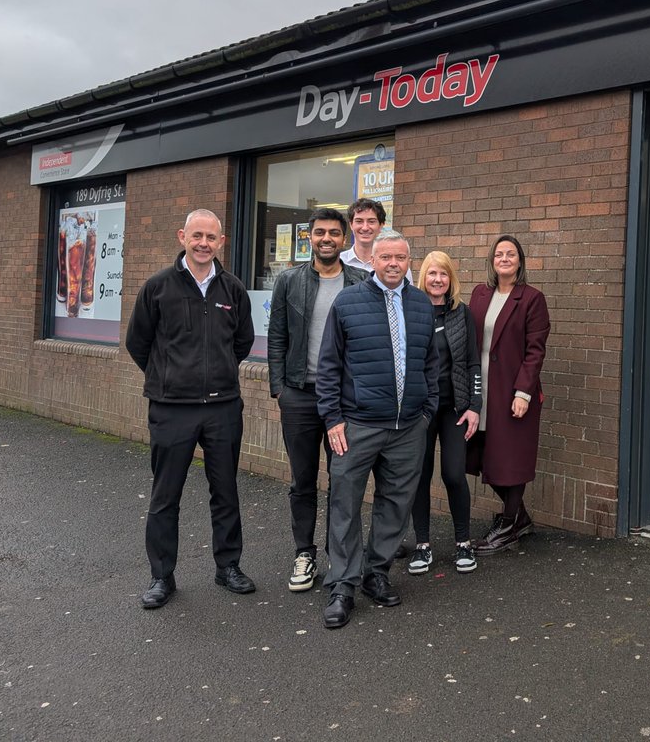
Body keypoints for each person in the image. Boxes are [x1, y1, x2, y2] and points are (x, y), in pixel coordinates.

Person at [126, 209, 256, 609]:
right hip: (171, 410)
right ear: (182, 236)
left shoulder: (233, 290)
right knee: (166, 495)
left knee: (226, 490)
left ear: (221, 242)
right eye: (196, 235)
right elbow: (138, 343)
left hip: (222, 408)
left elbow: (243, 343)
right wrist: (168, 378)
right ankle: (162, 576)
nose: (203, 243)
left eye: (211, 237)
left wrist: (215, 376)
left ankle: (228, 566)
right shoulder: (158, 287)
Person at [316, 230, 439, 629]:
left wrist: (426, 412)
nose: (392, 264)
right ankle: (342, 585)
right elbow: (329, 365)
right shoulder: (348, 302)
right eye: (385, 257)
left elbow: (431, 365)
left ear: (409, 261)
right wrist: (333, 418)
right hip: (358, 425)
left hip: (408, 428)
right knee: (345, 504)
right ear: (372, 260)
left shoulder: (421, 305)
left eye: (400, 258)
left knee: (395, 504)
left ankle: (376, 573)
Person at [268, 207, 368, 592]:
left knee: (344, 481)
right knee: (303, 480)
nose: (327, 238)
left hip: (343, 402)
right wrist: (280, 388)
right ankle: (304, 553)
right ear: (309, 237)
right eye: (320, 232)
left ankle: (339, 557)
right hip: (298, 396)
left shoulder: (361, 282)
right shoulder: (289, 281)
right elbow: (276, 335)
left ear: (345, 239)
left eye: (334, 233)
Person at [469, 235, 551, 555]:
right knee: (486, 454)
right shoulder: (480, 294)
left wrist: (523, 393)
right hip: (482, 389)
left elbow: (535, 351)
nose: (504, 258)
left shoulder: (531, 298)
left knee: (510, 457)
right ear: (492, 260)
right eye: (499, 254)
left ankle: (508, 526)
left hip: (513, 391)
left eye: (511, 254)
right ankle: (520, 517)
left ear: (520, 261)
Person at [407, 252, 482, 576]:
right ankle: (422, 545)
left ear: (451, 280)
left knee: (453, 474)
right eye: (432, 273)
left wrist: (475, 406)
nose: (438, 279)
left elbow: (473, 362)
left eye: (444, 274)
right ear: (424, 277)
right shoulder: (411, 310)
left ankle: (463, 542)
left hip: (455, 408)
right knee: (419, 476)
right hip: (420, 410)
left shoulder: (461, 313)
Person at [339, 198, 386, 272]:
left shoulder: (394, 265)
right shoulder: (338, 262)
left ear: (381, 225)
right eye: (359, 221)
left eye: (371, 221)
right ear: (351, 225)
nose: (365, 228)